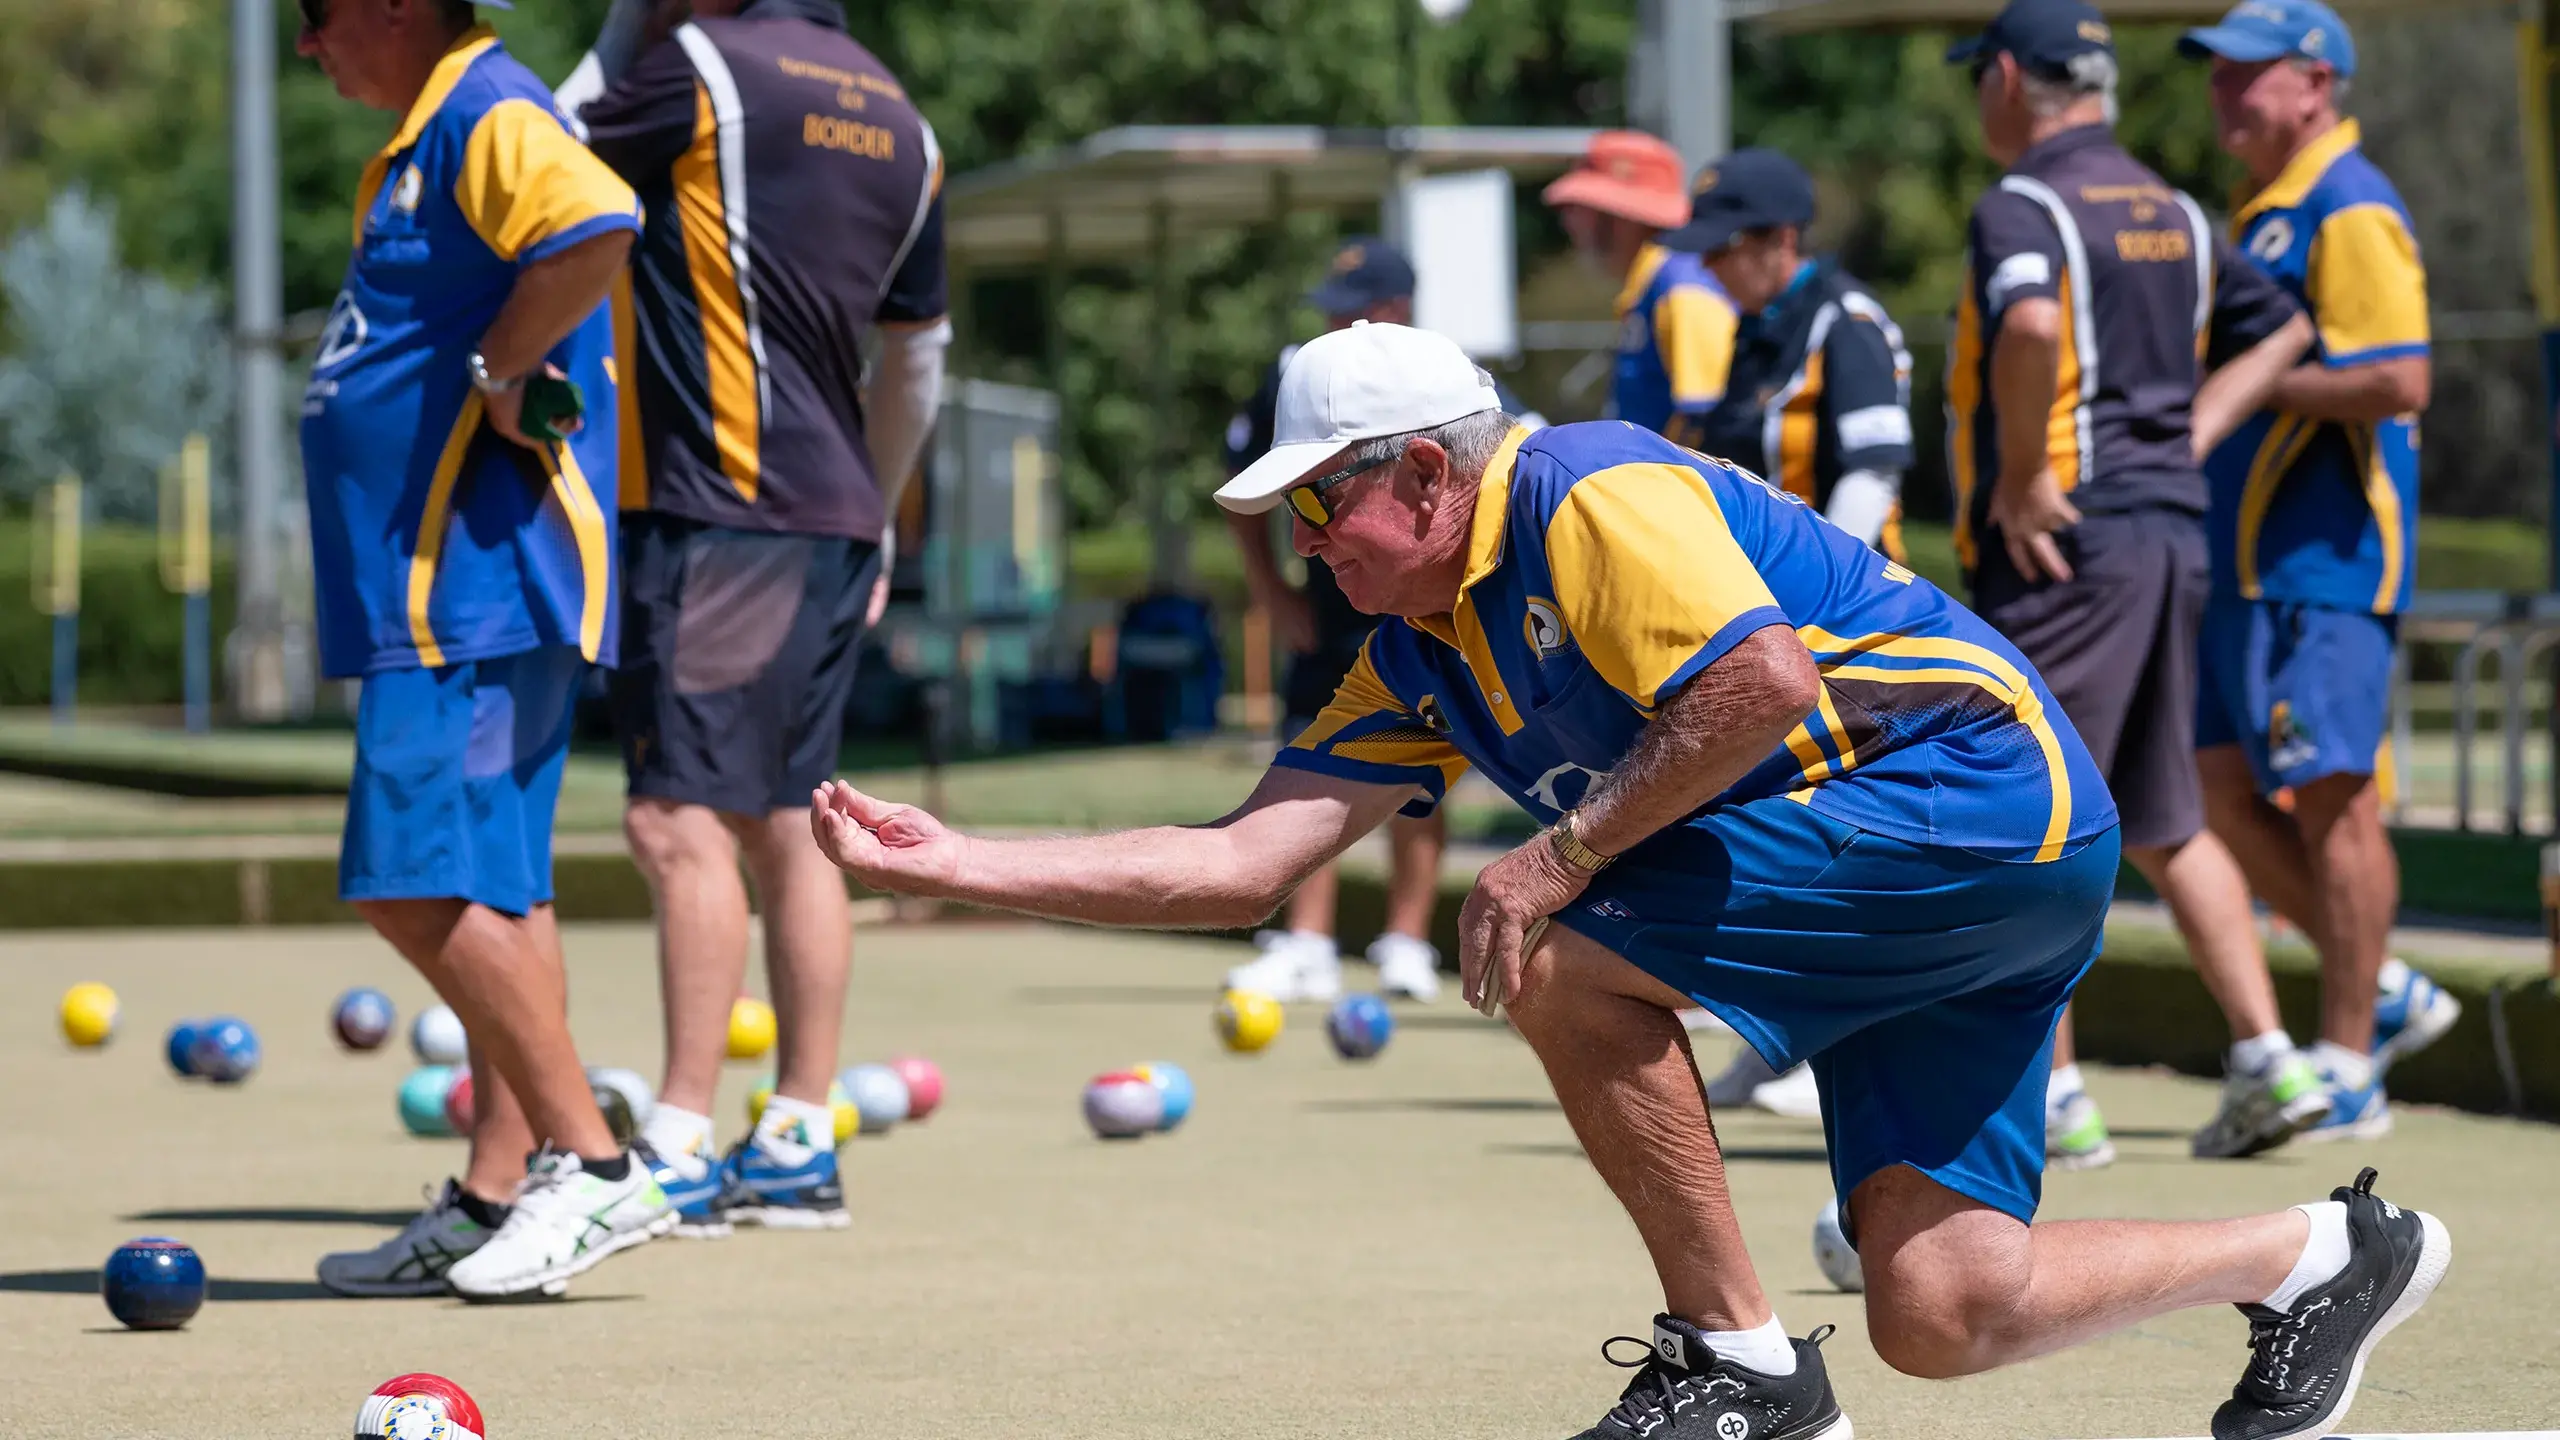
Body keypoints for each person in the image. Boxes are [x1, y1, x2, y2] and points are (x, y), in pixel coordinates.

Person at [805, 322, 2448, 1440]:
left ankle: (1740, 1368)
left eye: (1324, 501)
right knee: (1947, 1308)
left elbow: (1764, 688)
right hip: (1921, 872)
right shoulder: (1421, 643)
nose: (1308, 541)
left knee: (1566, 944)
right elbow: (1243, 860)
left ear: (1427, 477)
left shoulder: (1587, 491)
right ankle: (2317, 1258)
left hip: (1971, 807)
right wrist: (961, 862)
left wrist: (1554, 855)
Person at [296, 0, 670, 1299]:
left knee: (408, 880)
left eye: (313, 14)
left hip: (474, 583)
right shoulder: (422, 137)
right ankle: (494, 1192)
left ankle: (596, 1172)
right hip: (459, 589)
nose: (304, 44)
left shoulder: (484, 108)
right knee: (497, 893)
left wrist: (507, 369)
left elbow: (598, 220)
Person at [571, 0, 949, 1233]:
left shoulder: (696, 70)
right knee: (794, 819)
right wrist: (880, 514)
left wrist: (631, 19)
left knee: (678, 815)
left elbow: (534, 160)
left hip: (722, 508)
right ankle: (795, 1133)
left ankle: (675, 1140)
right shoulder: (904, 118)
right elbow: (917, 361)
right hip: (836, 514)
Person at [1950, 0, 2345, 1169]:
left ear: (2011, 79)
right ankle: (2270, 1058)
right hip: (2168, 537)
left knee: (2019, 799)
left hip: (2066, 545)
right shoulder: (2170, 206)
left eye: (1982, 77)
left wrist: (2023, 474)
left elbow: (2026, 323)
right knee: (2164, 810)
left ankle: (2053, 1095)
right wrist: (2187, 438)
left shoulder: (2023, 203)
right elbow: (2283, 330)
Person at [2182, 0, 2463, 1138]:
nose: (2223, 93)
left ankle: (2350, 1057)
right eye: (2216, 73)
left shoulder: (2348, 205)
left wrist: (2243, 382)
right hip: (2247, 563)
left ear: (2315, 82)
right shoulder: (2267, 211)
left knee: (2335, 799)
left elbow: (2399, 381)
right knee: (2209, 789)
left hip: (2329, 561)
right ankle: (2385, 991)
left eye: (2248, 74)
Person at [1219, 237, 1544, 1004]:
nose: (1334, 319)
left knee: (1417, 770)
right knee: (1314, 763)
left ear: (1394, 308)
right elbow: (1240, 488)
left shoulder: (1450, 384)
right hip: (1330, 609)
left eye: (1352, 304)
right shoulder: (1296, 374)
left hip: (1430, 606)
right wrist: (1272, 590)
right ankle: (1308, 941)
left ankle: (1402, 939)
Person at [1666, 148, 1917, 1120]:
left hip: (1849, 629)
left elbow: (1873, 468)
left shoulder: (1844, 323)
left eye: (1725, 250)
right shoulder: (1758, 328)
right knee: (1763, 827)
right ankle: (1785, 1042)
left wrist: (1815, 600)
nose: (1712, 270)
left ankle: (1834, 1053)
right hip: (1761, 625)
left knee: (1833, 840)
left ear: (1779, 241)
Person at [1543, 131, 1737, 446]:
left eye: (1578, 208)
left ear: (1619, 216)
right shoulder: (1655, 284)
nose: (1568, 223)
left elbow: (1709, 429)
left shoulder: (1682, 290)